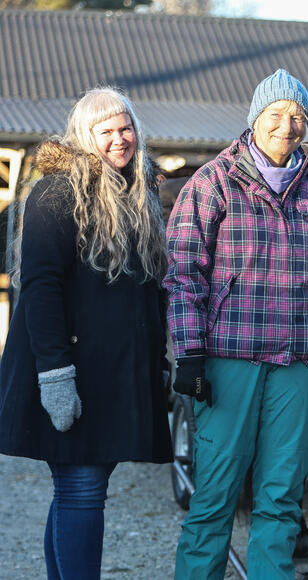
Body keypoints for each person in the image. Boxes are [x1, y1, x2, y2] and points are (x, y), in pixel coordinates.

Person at [166, 69, 308, 579]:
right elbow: (184, 275)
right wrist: (189, 353)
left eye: (298, 116)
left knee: (281, 498)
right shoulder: (212, 183)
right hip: (229, 362)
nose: (288, 125)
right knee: (215, 494)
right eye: (277, 115)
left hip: (299, 366)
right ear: (255, 119)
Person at [0, 87, 172, 579]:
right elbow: (41, 286)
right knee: (81, 489)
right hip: (71, 372)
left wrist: (155, 362)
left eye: (126, 128)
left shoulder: (137, 195)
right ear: (84, 135)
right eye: (106, 131)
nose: (120, 139)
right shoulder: (58, 193)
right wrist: (55, 376)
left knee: (77, 489)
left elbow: (145, 294)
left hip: (113, 374)